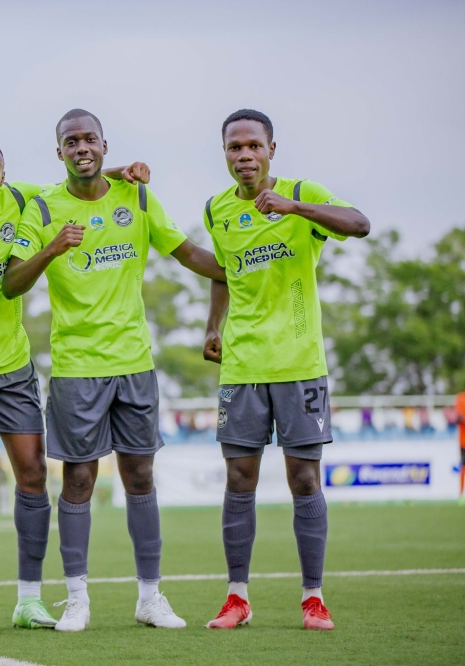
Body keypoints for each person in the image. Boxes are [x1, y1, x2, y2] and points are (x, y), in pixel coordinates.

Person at [2, 109, 226, 632]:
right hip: (77, 367)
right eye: (71, 141)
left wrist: (241, 268)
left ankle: (150, 597)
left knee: (140, 475)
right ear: (59, 151)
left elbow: (187, 252)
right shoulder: (42, 208)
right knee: (79, 478)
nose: (81, 148)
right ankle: (77, 598)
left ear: (105, 146)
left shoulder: (138, 197)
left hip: (135, 363)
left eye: (90, 139)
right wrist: (53, 247)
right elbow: (11, 283)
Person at [0, 138, 150, 627]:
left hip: (12, 368)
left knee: (32, 476)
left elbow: (75, 185)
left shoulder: (25, 199)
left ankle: (28, 600)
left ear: (3, 177)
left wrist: (121, 171)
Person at [201, 109, 370, 631]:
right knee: (239, 479)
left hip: (300, 365)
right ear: (225, 153)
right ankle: (237, 598)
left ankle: (313, 598)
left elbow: (360, 224)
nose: (244, 155)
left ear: (271, 150)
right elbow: (224, 273)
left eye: (254, 145)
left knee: (304, 478)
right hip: (242, 367)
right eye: (234, 147)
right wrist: (212, 326)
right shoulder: (215, 209)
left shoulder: (301, 193)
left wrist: (294, 207)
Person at [456, 391, 465, 498]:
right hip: (464, 442)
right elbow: (458, 417)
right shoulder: (461, 398)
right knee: (463, 467)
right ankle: (461, 494)